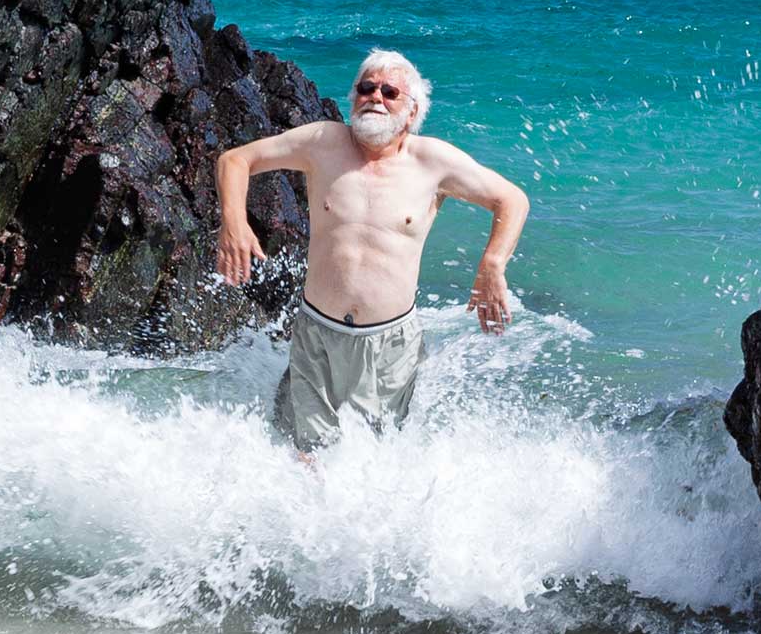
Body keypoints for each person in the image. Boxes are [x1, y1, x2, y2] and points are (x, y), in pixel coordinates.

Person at [215, 49, 530, 453]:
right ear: (353, 97)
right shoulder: (323, 142)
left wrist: (493, 263)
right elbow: (236, 160)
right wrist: (234, 223)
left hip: (390, 346)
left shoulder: (432, 162)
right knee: (303, 458)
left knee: (374, 463)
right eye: (367, 88)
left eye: (389, 91)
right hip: (317, 334)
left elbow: (512, 200)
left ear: (412, 112)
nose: (376, 97)